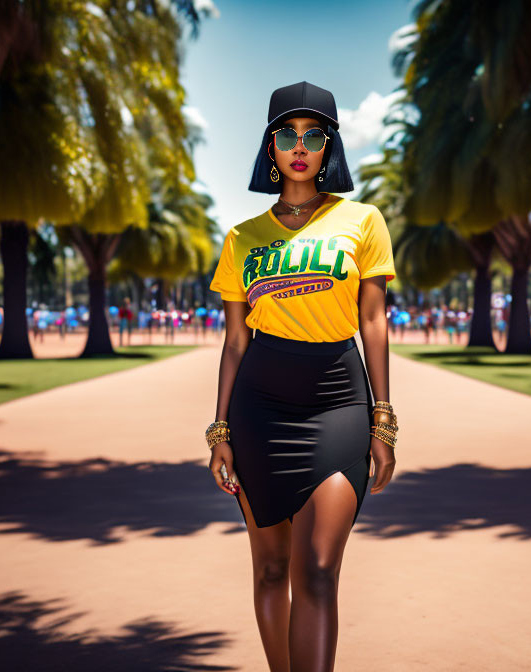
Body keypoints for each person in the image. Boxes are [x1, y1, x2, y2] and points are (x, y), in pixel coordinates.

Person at [205, 81, 398, 672]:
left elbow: (373, 322)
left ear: (328, 148)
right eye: (287, 134)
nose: (299, 146)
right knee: (268, 569)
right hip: (259, 404)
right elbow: (236, 339)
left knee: (315, 570)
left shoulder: (362, 221)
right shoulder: (242, 239)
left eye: (313, 135)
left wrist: (383, 421)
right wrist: (219, 431)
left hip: (338, 399)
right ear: (270, 146)